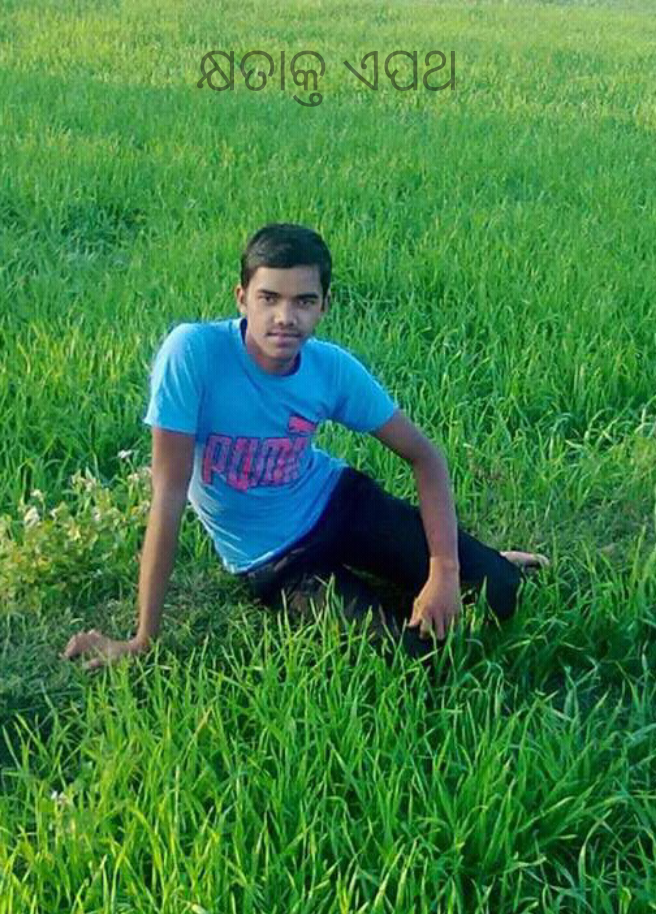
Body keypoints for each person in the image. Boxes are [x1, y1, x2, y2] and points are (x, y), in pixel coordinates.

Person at [62, 222, 549, 672]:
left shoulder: (330, 368)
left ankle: (479, 558)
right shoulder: (193, 354)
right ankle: (430, 568)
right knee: (411, 662)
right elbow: (168, 497)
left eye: (304, 301)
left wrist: (446, 565)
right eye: (269, 298)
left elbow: (425, 455)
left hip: (338, 502)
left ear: (324, 306)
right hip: (276, 557)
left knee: (501, 590)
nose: (285, 317)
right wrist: (142, 639)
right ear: (241, 298)